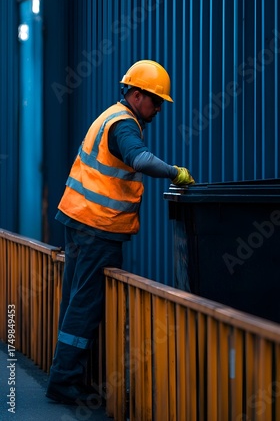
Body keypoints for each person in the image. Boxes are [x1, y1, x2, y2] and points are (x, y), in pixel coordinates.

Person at [46, 59, 194, 405]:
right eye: (156, 101)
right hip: (98, 228)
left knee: (74, 301)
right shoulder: (124, 125)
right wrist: (176, 172)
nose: (158, 109)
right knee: (86, 304)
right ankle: (64, 381)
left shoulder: (109, 115)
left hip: (79, 220)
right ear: (137, 94)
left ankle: (66, 375)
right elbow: (140, 160)